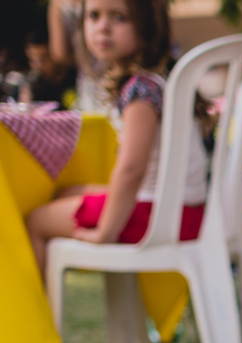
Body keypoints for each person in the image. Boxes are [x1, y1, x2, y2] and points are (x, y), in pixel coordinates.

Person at [25, 0, 209, 280]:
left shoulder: (140, 90)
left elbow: (131, 169)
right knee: (66, 192)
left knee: (36, 220)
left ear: (146, 25)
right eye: (93, 16)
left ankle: (34, 318)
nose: (103, 27)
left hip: (160, 217)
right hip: (185, 211)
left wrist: (105, 232)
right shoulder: (156, 79)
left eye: (119, 18)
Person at [20, 27, 79, 109]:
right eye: (33, 60)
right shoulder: (35, 88)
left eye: (43, 58)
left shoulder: (78, 79)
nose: (38, 66)